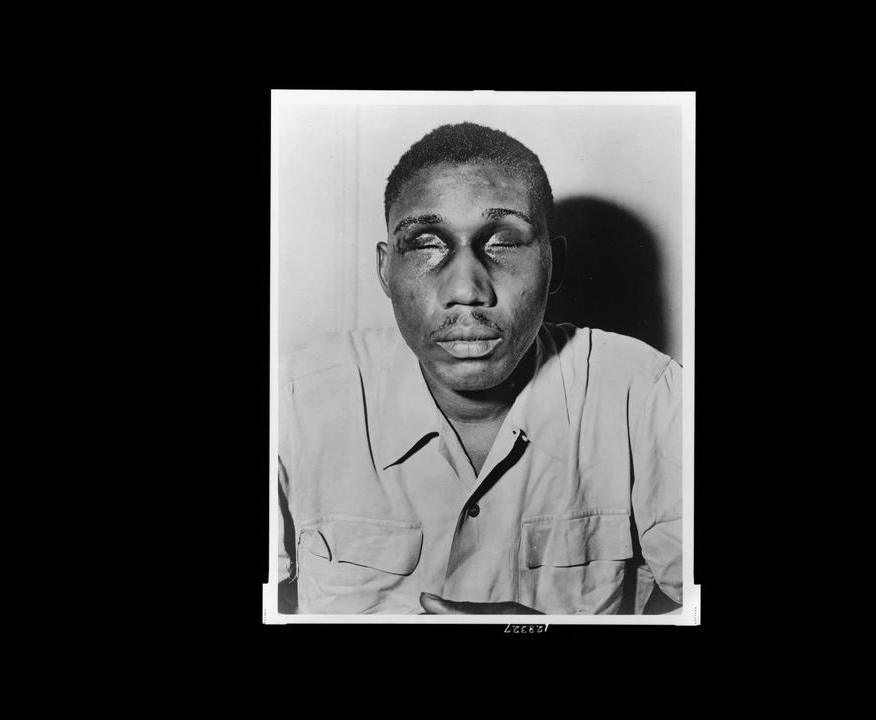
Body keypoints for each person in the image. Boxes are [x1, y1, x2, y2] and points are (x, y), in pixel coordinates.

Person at [276, 122, 682, 615]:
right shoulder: (291, 403)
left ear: (554, 265)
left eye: (503, 243)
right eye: (426, 243)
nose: (466, 289)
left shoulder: (646, 394)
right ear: (385, 270)